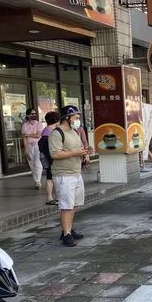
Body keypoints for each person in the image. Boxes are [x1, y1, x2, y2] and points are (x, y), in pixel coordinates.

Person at [49, 105, 91, 247]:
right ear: (67, 118)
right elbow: (55, 154)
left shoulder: (74, 131)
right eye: (76, 118)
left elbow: (76, 149)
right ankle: (66, 234)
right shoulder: (56, 133)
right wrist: (76, 153)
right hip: (63, 174)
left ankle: (68, 229)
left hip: (75, 172)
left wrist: (84, 155)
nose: (78, 120)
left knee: (73, 204)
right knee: (66, 206)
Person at [39, 111, 60, 205]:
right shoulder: (49, 133)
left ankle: (52, 197)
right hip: (50, 158)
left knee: (50, 177)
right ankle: (50, 198)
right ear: (56, 121)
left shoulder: (46, 130)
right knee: (50, 177)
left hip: (47, 158)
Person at [21, 108, 43, 190]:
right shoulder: (25, 125)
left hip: (38, 146)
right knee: (32, 164)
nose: (34, 115)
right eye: (32, 114)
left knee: (38, 163)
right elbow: (24, 138)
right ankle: (36, 181)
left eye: (35, 113)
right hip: (29, 146)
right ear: (28, 115)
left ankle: (38, 181)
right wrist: (26, 148)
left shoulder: (39, 124)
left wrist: (27, 135)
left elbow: (38, 135)